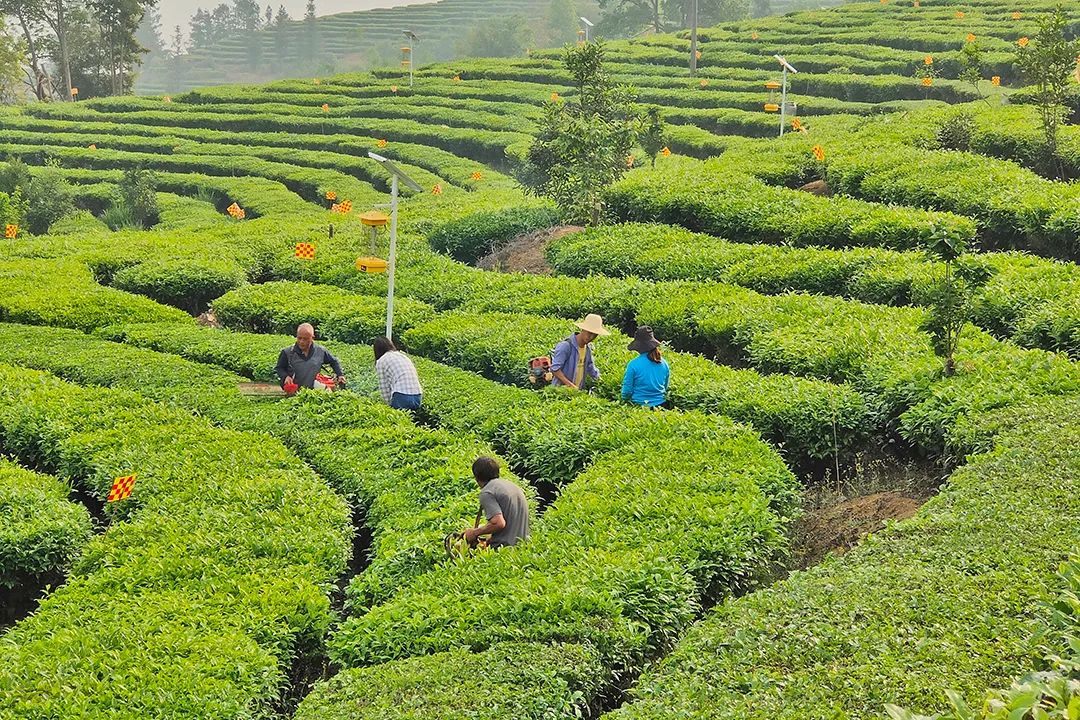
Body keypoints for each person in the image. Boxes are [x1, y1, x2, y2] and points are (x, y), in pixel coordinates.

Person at [463, 456, 530, 549]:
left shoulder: (487, 492)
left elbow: (499, 523)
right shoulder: (512, 486)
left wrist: (474, 532)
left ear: (477, 477)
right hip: (523, 547)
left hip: (504, 551)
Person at [276, 323, 346, 392]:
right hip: (294, 391)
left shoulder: (320, 351)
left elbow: (334, 361)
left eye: (305, 339)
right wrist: (285, 376)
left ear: (312, 338)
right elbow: (279, 368)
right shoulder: (287, 352)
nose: (301, 341)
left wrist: (340, 375)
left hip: (313, 392)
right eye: (299, 338)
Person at [550, 313, 610, 390]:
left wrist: (602, 382)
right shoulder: (566, 346)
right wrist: (570, 385)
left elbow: (590, 368)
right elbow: (555, 369)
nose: (591, 337)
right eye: (589, 333)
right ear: (583, 329)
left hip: (577, 392)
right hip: (560, 392)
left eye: (595, 335)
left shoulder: (587, 349)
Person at [621, 326, 670, 409]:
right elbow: (665, 386)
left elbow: (627, 390)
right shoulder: (664, 363)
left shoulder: (633, 365)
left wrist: (623, 401)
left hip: (639, 406)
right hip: (661, 405)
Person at [373, 336, 423, 410]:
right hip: (417, 395)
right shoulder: (402, 356)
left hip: (401, 395)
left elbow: (384, 388)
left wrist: (388, 407)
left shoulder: (381, 361)